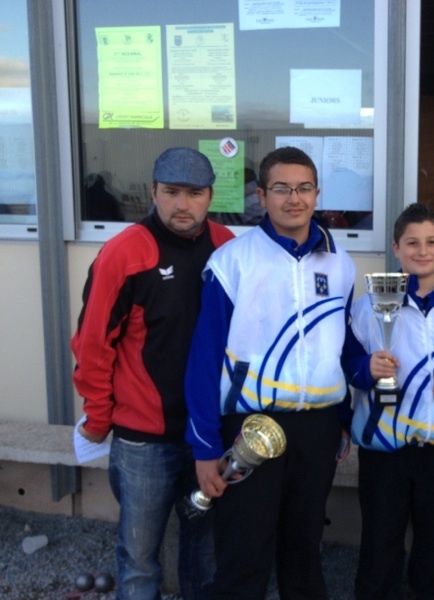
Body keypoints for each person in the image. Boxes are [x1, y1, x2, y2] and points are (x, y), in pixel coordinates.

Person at [184, 146, 355, 599]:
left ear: (317, 194)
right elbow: (204, 358)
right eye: (281, 188)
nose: (293, 198)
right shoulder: (233, 261)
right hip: (250, 427)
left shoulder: (341, 263)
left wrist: (341, 418)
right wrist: (204, 447)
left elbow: (342, 345)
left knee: (303, 551)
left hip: (317, 428)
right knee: (243, 555)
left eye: (303, 188)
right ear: (262, 194)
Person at [71, 147, 235, 599]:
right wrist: (99, 418)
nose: (183, 205)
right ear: (153, 192)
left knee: (205, 557)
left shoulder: (229, 247)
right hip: (144, 440)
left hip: (209, 433)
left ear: (210, 195)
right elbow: (91, 345)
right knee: (140, 561)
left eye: (195, 193)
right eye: (172, 192)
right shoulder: (123, 252)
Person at [346, 203, 434, 599]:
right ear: (396, 247)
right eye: (412, 243)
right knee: (379, 544)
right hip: (384, 452)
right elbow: (346, 362)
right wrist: (365, 368)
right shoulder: (369, 305)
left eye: (431, 242)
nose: (421, 251)